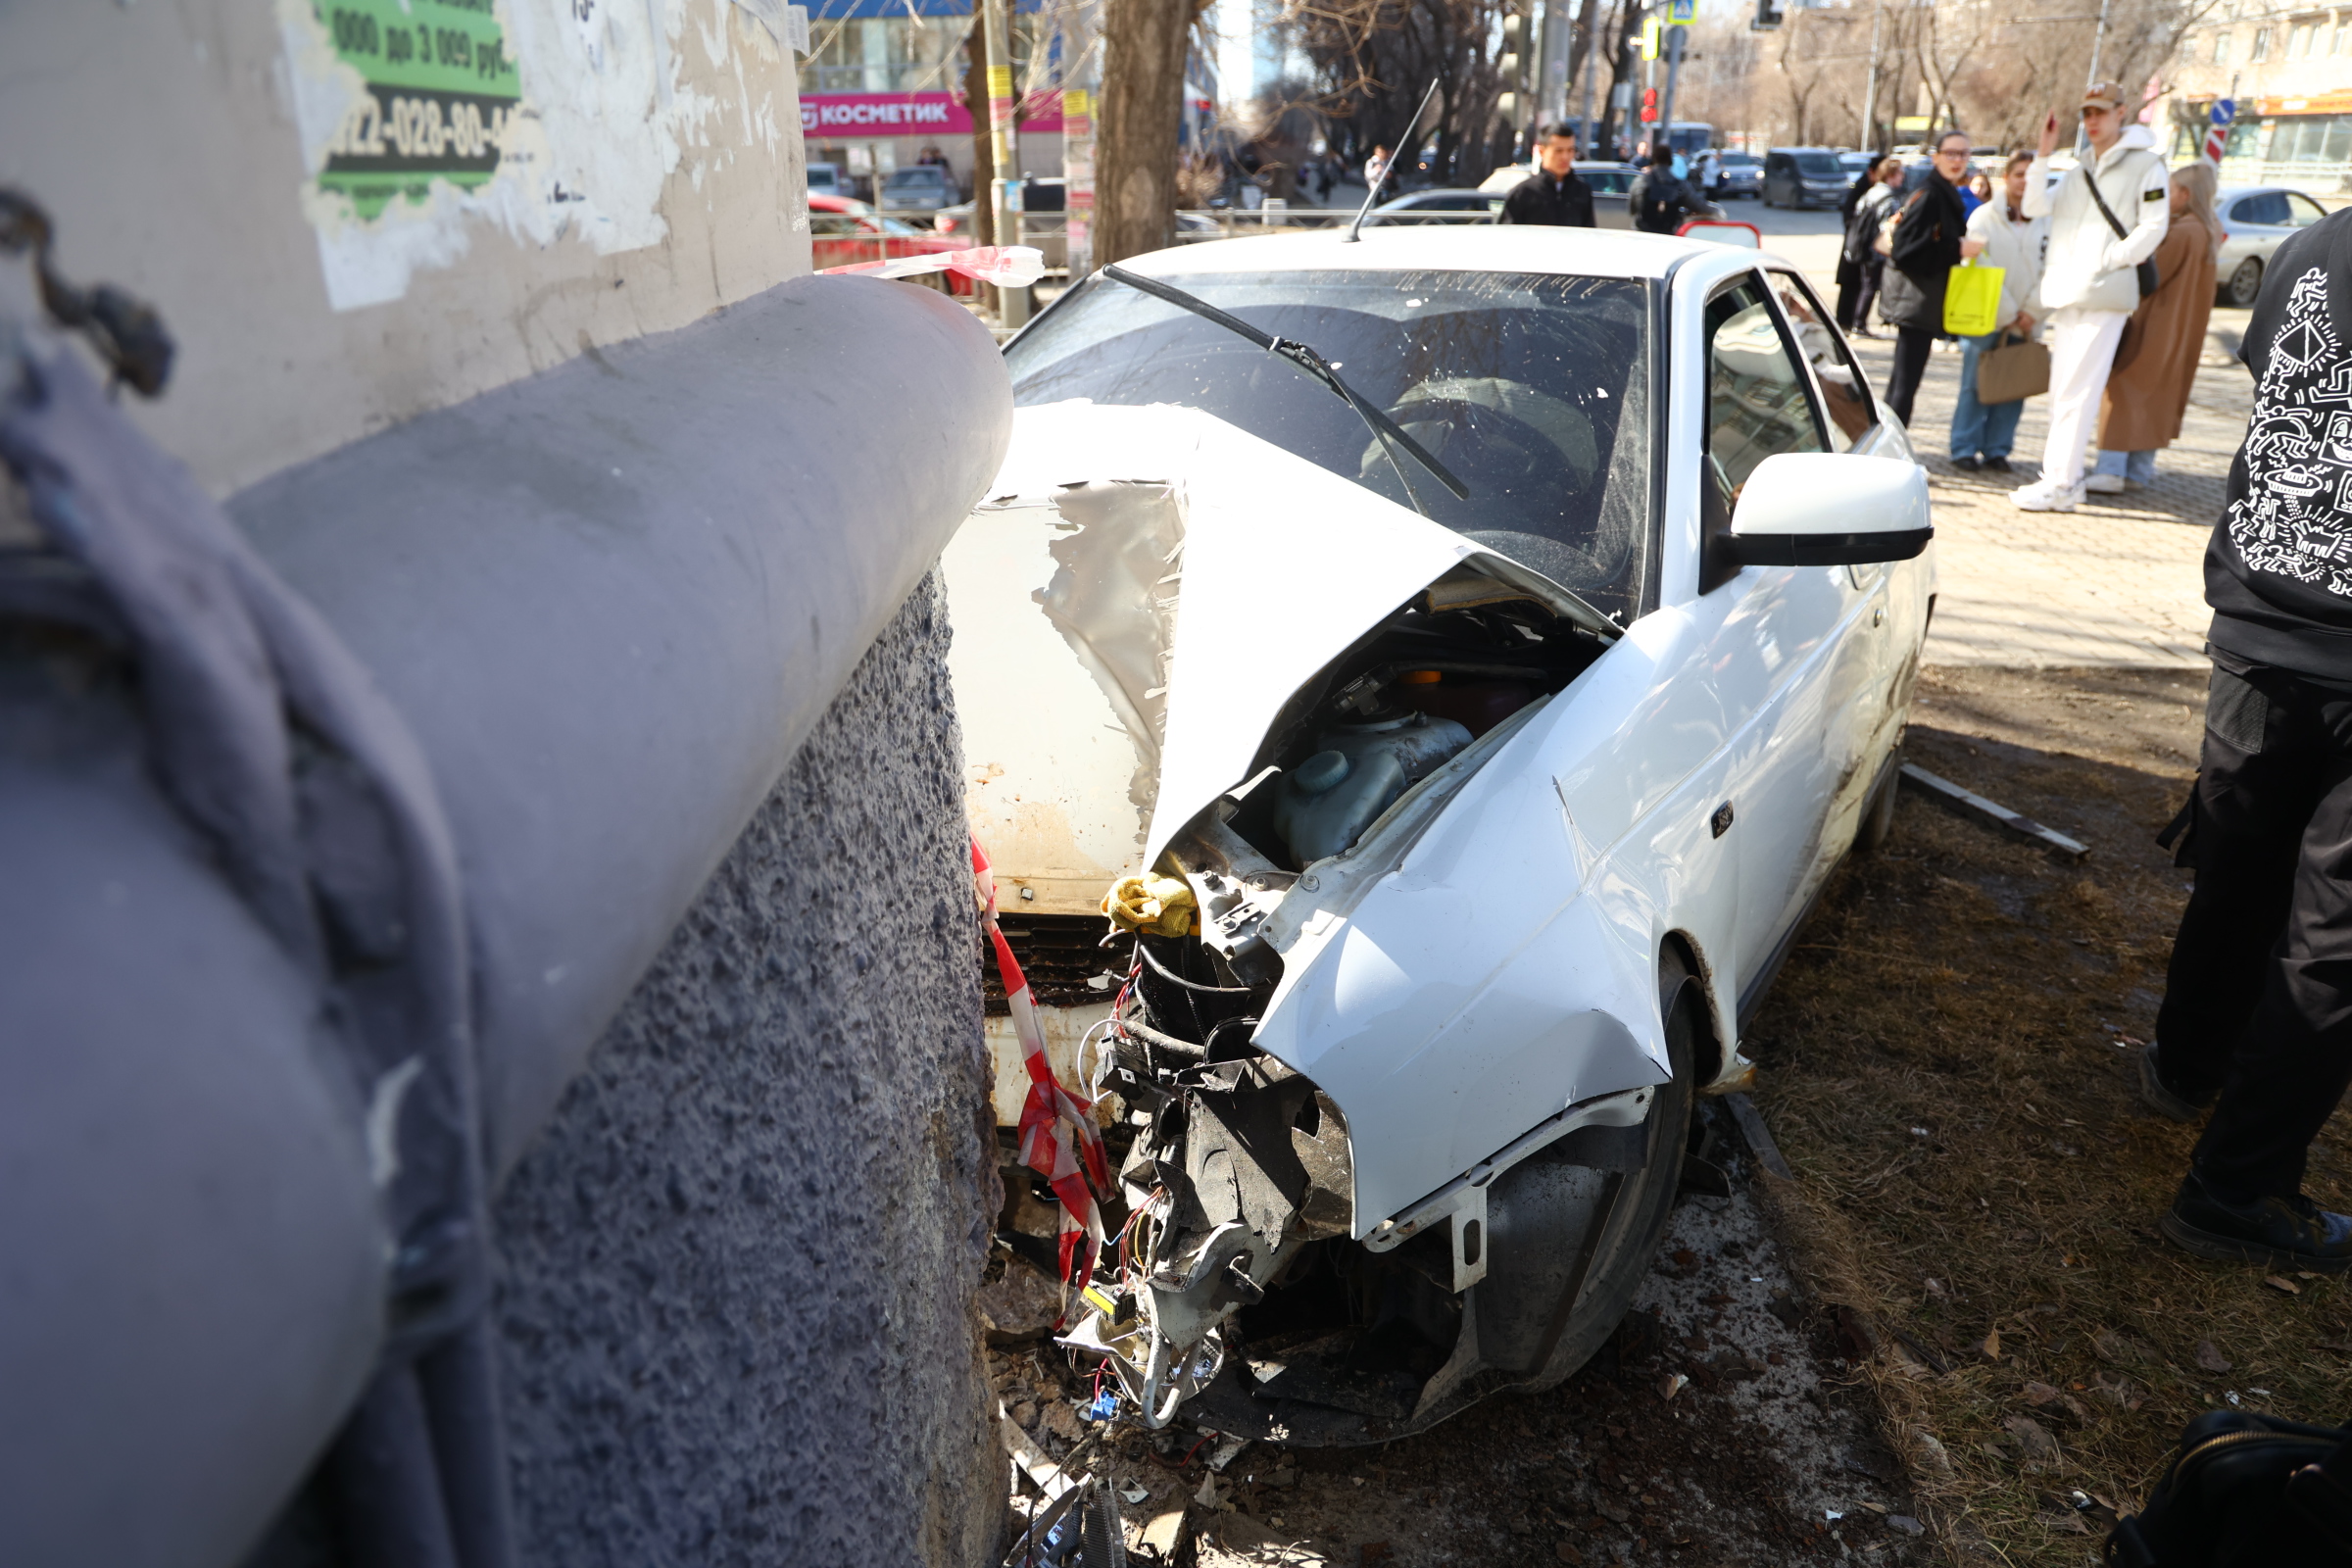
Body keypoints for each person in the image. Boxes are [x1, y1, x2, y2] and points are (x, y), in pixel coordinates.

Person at [2140, 203, 2352, 1272]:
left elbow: (2283, 379)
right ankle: (2236, 1189)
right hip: (2291, 632)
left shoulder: (2316, 246)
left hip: (2264, 624)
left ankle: (2186, 1063)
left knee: (2239, 866)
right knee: (2331, 947)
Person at [2009, 81, 2171, 512]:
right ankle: (2062, 480)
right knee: (2065, 389)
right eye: (2086, 113)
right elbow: (2035, 206)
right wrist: (2043, 153)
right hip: (2068, 290)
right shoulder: (2081, 167)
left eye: (2100, 111)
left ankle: (2062, 482)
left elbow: (2155, 225)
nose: (2092, 120)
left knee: (2077, 391)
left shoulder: (2146, 165)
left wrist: (2111, 259)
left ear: (2122, 112)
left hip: (2102, 291)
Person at [2089, 164, 2223, 492]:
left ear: (2186, 195)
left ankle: (2111, 469)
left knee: (2122, 388)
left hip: (2155, 324)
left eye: (2171, 190)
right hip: (2182, 329)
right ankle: (2138, 470)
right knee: (2158, 395)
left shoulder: (2182, 232)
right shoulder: (2207, 230)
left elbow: (2153, 276)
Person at [1949, 152, 2049, 472]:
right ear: (2006, 177)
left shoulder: (2049, 220)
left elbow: (2055, 265)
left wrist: (2032, 310)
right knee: (1974, 384)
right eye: (2019, 174)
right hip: (1987, 316)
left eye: (2031, 175)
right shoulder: (1983, 217)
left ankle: (1997, 449)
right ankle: (1963, 446)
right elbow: (1978, 262)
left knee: (2013, 385)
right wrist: (2009, 311)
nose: (2024, 181)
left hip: (2029, 318)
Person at [1877, 130, 1984, 427]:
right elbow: (1907, 251)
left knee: (1904, 383)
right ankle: (1891, 455)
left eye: (1963, 154)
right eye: (1950, 153)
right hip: (1916, 300)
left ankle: (1889, 446)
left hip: (1924, 299)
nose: (1957, 160)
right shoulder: (1932, 194)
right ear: (1936, 157)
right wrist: (1957, 248)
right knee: (1903, 387)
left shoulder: (1943, 190)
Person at [1838, 157, 1902, 336]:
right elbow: (1886, 228)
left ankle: (1857, 323)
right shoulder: (1889, 198)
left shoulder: (1871, 192)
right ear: (1890, 175)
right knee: (1869, 286)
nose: (1902, 178)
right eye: (1900, 174)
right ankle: (1859, 324)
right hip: (1876, 249)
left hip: (1861, 245)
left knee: (1865, 284)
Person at [1501, 125, 1595, 226]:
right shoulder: (1524, 192)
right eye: (1558, 151)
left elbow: (1589, 233)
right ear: (1542, 151)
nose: (1565, 157)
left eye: (1570, 150)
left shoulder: (1582, 191)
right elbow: (1507, 234)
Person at [1629, 146, 1702, 235]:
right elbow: (1698, 205)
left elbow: (1632, 210)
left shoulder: (1640, 182)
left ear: (1652, 161)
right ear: (1670, 162)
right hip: (1667, 235)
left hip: (1642, 235)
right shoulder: (1679, 185)